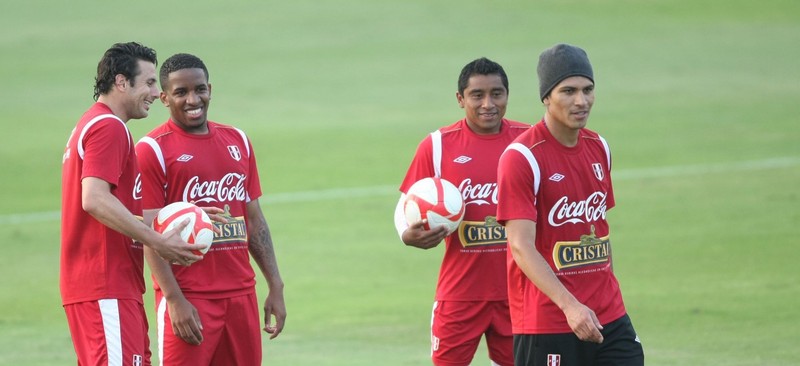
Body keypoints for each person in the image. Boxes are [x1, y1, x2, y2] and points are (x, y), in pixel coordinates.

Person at [496, 43, 645, 365]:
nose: (581, 101)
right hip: (549, 322)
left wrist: (610, 299)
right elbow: (520, 246)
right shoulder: (522, 158)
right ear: (546, 96)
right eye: (568, 91)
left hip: (609, 317)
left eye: (588, 90)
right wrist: (570, 306)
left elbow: (599, 230)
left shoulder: (599, 147)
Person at [61, 42, 208, 366]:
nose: (157, 93)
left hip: (105, 286)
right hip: (104, 282)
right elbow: (95, 199)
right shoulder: (108, 127)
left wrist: (179, 220)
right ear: (121, 82)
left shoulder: (91, 123)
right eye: (150, 82)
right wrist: (158, 241)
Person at [135, 53, 286, 365]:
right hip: (191, 297)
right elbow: (148, 234)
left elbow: (254, 220)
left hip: (241, 295)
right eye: (181, 92)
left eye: (200, 89)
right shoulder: (152, 149)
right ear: (164, 97)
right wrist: (175, 299)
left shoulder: (238, 140)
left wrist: (275, 285)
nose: (193, 99)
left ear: (210, 89)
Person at [394, 57, 530, 366]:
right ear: (460, 99)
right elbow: (405, 205)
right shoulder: (438, 145)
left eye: (497, 94)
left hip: (520, 292)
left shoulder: (528, 141)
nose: (488, 104)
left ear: (508, 95)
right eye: (477, 95)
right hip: (460, 294)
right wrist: (407, 234)